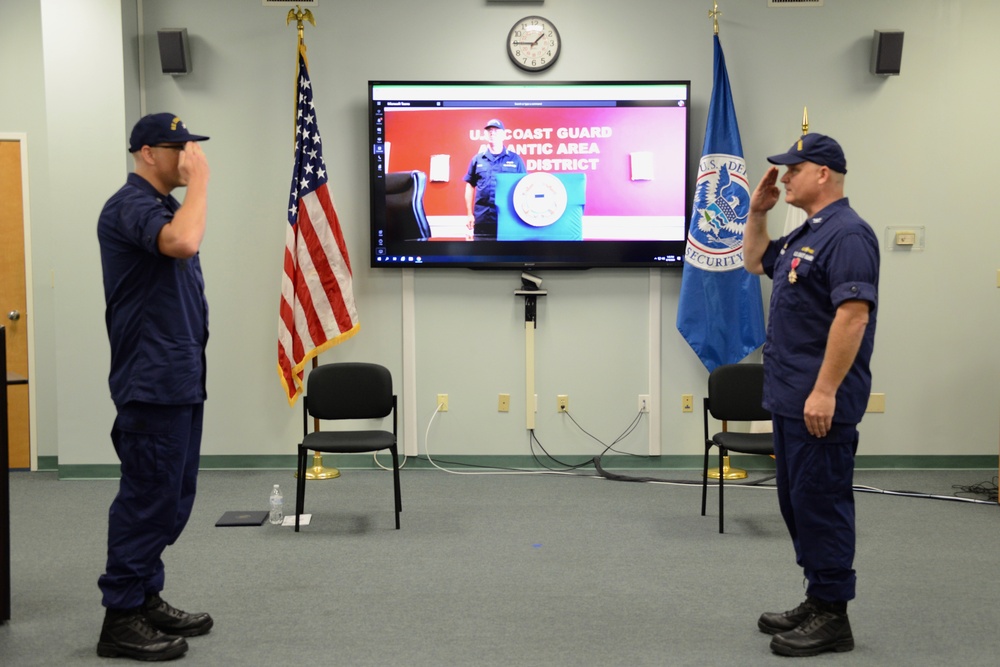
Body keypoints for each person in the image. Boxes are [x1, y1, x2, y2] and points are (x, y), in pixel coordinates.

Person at [744, 133, 879, 657]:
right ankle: (818, 595)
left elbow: (854, 315)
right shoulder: (811, 233)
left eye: (792, 169)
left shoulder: (848, 235)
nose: (784, 177)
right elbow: (755, 262)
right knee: (798, 503)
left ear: (822, 173)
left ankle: (834, 616)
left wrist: (825, 391)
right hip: (789, 396)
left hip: (818, 401)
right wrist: (758, 213)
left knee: (821, 503)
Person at [95, 113, 213, 661]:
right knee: (147, 497)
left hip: (178, 376)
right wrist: (204, 182)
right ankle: (120, 618)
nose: (189, 155)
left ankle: (145, 597)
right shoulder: (130, 206)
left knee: (170, 497)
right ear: (147, 153)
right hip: (151, 379)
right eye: (179, 146)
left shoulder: (165, 206)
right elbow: (184, 244)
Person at [464, 118, 526, 239]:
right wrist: (469, 214)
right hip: (482, 217)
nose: (492, 133)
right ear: (486, 135)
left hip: (508, 217)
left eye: (496, 131)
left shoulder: (515, 159)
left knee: (507, 255)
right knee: (482, 254)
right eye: (489, 131)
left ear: (503, 135)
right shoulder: (477, 159)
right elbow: (470, 186)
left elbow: (524, 187)